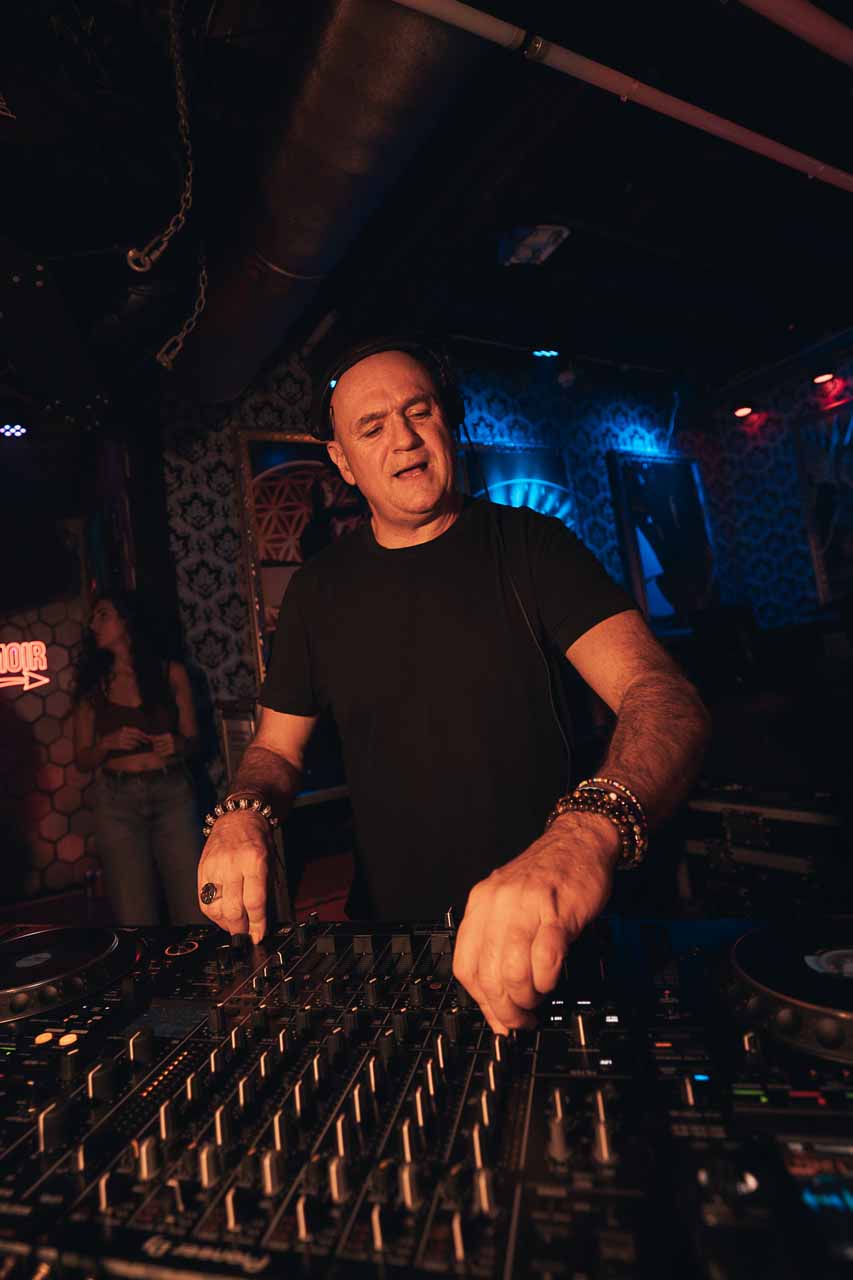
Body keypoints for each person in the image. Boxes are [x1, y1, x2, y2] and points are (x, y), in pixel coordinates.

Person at [197, 336, 710, 1035]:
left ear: (448, 420)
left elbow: (664, 698)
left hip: (545, 936)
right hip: (394, 943)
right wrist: (241, 811)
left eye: (419, 411)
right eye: (372, 428)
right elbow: (276, 751)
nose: (403, 439)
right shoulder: (317, 591)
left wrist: (582, 836)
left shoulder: (533, 545)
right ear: (342, 461)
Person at [72, 590, 205, 925]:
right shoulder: (93, 684)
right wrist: (107, 744)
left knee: (194, 909)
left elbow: (195, 741)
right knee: (135, 917)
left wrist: (177, 744)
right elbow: (82, 759)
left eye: (103, 615)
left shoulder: (170, 672)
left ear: (126, 620)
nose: (93, 624)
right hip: (117, 803)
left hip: (173, 795)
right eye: (92, 618)